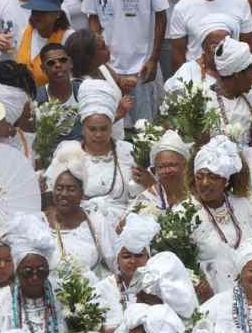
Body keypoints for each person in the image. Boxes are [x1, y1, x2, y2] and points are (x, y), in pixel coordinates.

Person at [82, 0, 167, 124]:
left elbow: (161, 16)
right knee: (113, 123)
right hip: (109, 66)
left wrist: (153, 59)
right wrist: (99, 54)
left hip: (141, 65)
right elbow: (92, 15)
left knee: (145, 126)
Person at [189, 135, 252, 296]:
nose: (205, 183)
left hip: (250, 289)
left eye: (213, 177)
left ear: (226, 181)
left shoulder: (243, 205)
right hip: (209, 296)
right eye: (199, 177)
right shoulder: (186, 213)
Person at [54, 78, 136, 225]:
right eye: (92, 129)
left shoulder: (127, 151)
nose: (98, 135)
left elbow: (139, 198)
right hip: (79, 226)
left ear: (111, 126)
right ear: (83, 128)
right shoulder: (67, 152)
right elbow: (54, 196)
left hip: (123, 226)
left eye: (104, 128)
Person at [42, 149, 117, 276]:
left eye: (71, 189)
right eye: (59, 188)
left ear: (82, 193)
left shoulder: (96, 223)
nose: (64, 194)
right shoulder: (40, 222)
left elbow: (116, 262)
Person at [14, 0, 69, 88]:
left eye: (43, 12)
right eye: (35, 12)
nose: (37, 16)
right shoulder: (26, 32)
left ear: (57, 14)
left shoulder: (68, 37)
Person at [131, 129, 191, 213]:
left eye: (171, 165)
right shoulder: (147, 198)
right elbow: (124, 221)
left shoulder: (197, 193)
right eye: (161, 167)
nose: (167, 171)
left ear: (185, 165)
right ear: (155, 170)